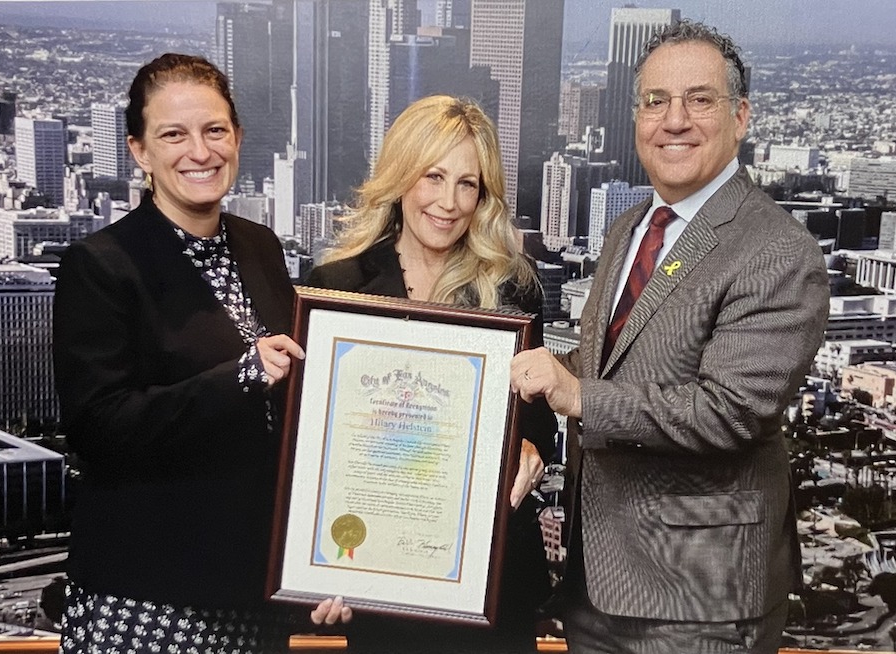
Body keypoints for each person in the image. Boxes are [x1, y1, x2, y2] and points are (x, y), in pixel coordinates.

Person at [510, 21, 830, 654]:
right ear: (636, 119)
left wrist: (577, 395)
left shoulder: (778, 251)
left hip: (701, 600)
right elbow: (609, 363)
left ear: (740, 116)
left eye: (699, 99)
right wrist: (503, 371)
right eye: (655, 101)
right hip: (597, 582)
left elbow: (729, 411)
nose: (673, 119)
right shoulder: (631, 225)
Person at [53, 53, 349, 654]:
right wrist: (239, 379)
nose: (200, 151)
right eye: (173, 134)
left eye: (215, 130)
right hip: (146, 598)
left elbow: (297, 420)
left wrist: (326, 558)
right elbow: (98, 428)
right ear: (139, 152)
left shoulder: (260, 247)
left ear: (237, 137)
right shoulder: (102, 265)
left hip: (250, 592)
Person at [305, 94, 556, 653]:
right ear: (401, 177)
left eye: (468, 184)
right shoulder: (337, 283)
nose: (448, 201)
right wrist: (317, 564)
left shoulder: (513, 287)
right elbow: (314, 442)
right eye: (433, 176)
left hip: (490, 585)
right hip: (378, 580)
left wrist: (532, 449)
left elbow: (539, 422)